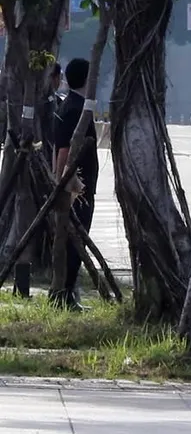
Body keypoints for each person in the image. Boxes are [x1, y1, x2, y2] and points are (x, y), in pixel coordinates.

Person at [53, 58, 99, 311]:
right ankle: (66, 294)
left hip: (77, 185)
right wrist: (64, 183)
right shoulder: (75, 110)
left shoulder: (71, 105)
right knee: (75, 240)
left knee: (73, 239)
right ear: (87, 78)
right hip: (77, 188)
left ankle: (67, 291)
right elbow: (63, 151)